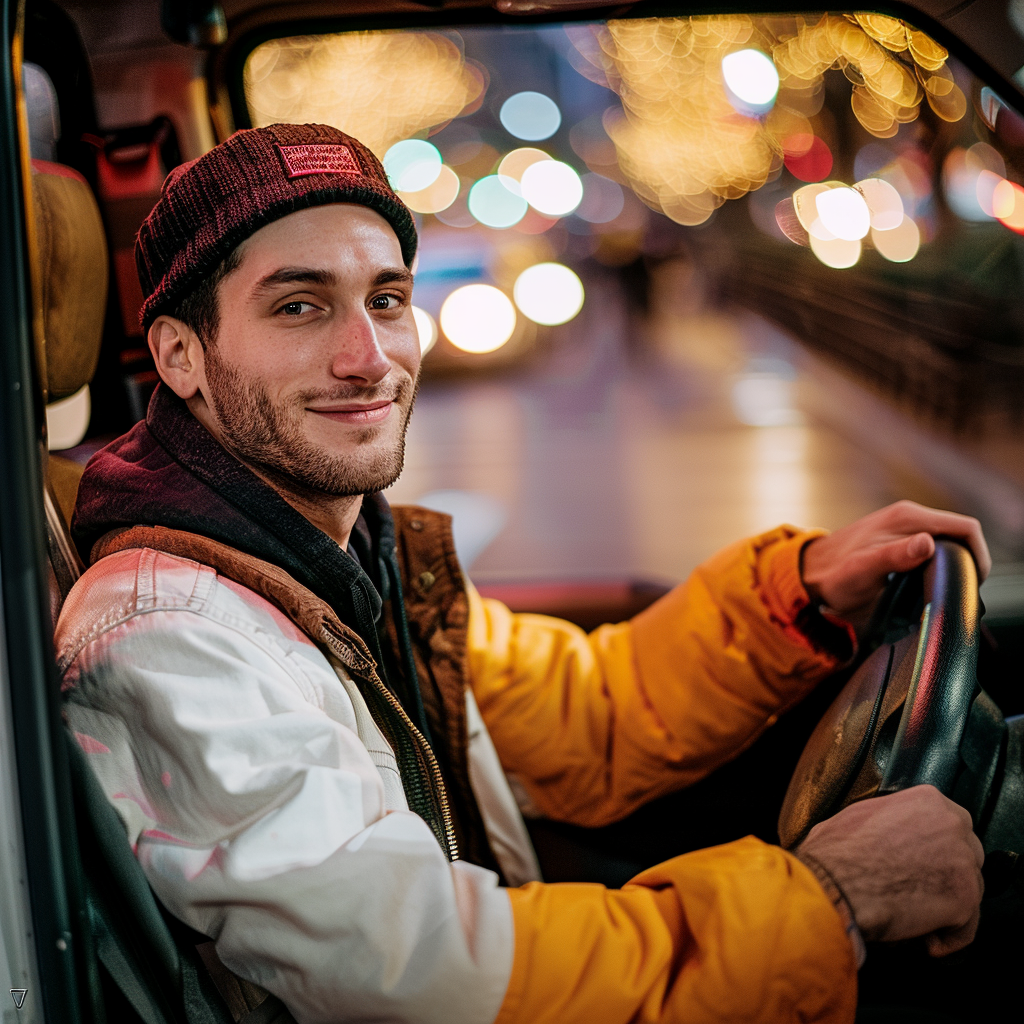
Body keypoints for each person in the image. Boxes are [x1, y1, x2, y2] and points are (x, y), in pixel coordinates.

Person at [56, 123, 990, 1024]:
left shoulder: (336, 561)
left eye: (386, 298)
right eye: (299, 305)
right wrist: (826, 901)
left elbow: (590, 713)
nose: (368, 358)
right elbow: (414, 968)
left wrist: (802, 591)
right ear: (181, 355)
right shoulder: (168, 637)